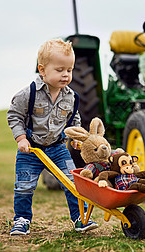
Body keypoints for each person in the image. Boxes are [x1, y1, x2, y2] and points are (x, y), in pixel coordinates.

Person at [7, 38, 98, 235]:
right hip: (31, 149)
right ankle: (21, 219)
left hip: (58, 148)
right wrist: (21, 138)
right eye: (60, 70)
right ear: (42, 70)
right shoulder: (28, 93)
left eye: (69, 70)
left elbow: (74, 118)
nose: (66, 75)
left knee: (73, 183)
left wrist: (76, 137)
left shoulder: (71, 97)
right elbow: (14, 115)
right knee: (24, 186)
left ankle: (80, 219)